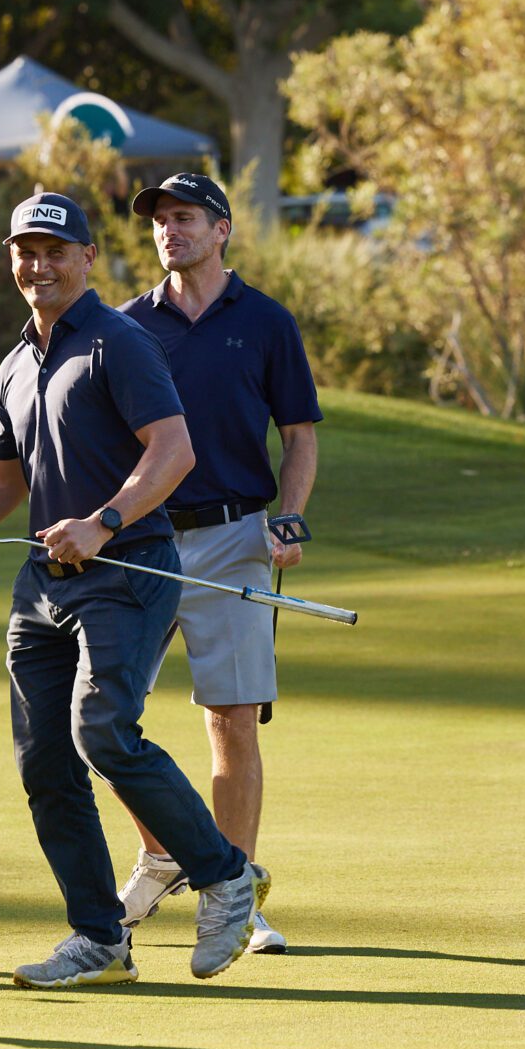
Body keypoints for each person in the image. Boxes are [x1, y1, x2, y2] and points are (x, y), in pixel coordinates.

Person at [0, 192, 269, 989]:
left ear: (87, 257)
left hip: (128, 571)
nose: (40, 265)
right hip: (42, 587)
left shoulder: (120, 341)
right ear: (11, 259)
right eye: (26, 250)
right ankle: (99, 937)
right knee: (45, 763)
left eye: (56, 251)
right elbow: (2, 481)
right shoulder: (16, 364)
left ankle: (226, 873)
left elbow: (174, 450)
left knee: (103, 731)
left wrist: (104, 520)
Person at [115, 172, 320, 955]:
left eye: (185, 217)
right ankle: (164, 852)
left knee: (231, 719)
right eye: (160, 220)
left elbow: (298, 435)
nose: (169, 230)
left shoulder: (265, 321)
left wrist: (289, 514)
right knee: (100, 716)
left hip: (235, 535)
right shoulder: (127, 325)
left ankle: (235, 895)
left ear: (221, 228)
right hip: (143, 539)